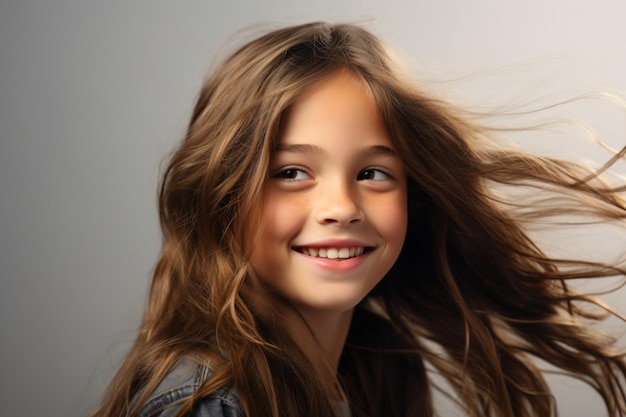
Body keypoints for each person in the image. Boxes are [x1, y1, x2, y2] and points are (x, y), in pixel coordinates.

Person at [90, 22, 626, 417]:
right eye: (293, 172)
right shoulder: (209, 405)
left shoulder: (381, 373)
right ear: (220, 193)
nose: (342, 206)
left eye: (373, 173)